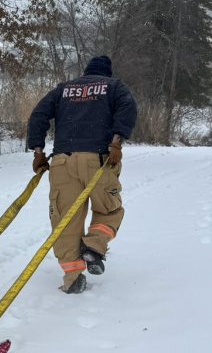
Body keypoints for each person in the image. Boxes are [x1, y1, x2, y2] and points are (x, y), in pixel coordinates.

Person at [27, 55, 137, 294]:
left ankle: (73, 277)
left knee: (65, 220)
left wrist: (38, 151)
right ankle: (94, 246)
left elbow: (38, 115)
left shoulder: (63, 89)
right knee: (110, 210)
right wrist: (117, 142)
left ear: (85, 73)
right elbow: (129, 108)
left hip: (61, 162)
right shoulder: (114, 86)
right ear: (106, 73)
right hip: (98, 160)